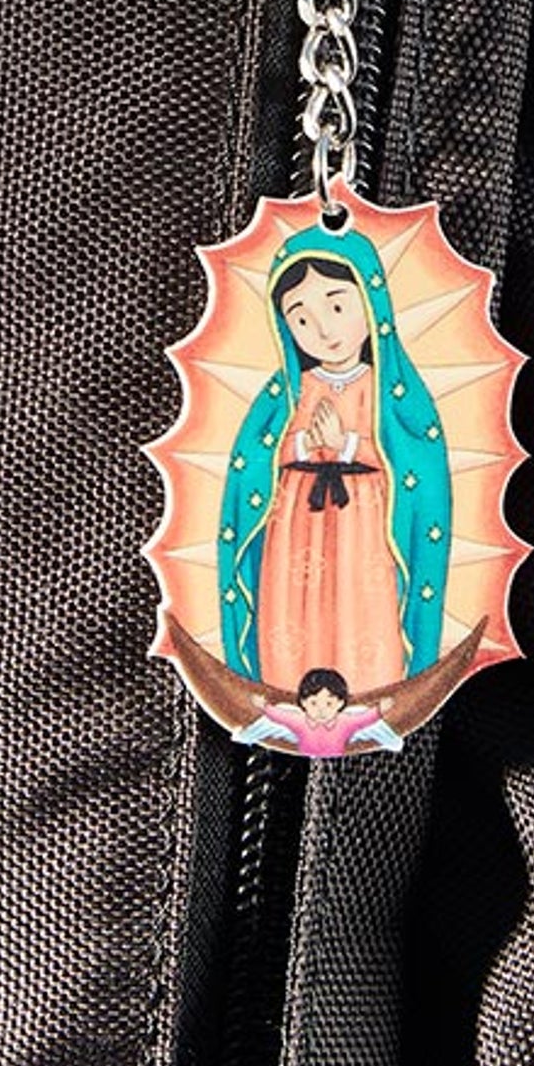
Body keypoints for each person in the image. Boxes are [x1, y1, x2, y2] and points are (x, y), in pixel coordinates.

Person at [217, 220, 452, 687]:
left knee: (357, 606)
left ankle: (369, 688)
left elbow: (415, 464)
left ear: (371, 302)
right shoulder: (289, 392)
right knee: (295, 609)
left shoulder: (390, 392)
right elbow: (255, 461)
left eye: (338, 306)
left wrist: (347, 444)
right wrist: (305, 444)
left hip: (363, 525)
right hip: (295, 524)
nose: (323, 329)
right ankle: (288, 686)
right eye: (301, 318)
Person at [230, 668, 405, 759]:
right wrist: (264, 706)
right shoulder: (300, 721)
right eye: (314, 703)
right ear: (303, 703)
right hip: (298, 747)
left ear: (340, 703)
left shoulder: (345, 722)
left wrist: (380, 710)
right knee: (275, 718)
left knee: (363, 716)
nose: (321, 710)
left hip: (342, 748)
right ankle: (247, 735)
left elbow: (364, 719)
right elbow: (280, 716)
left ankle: (392, 741)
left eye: (329, 703)